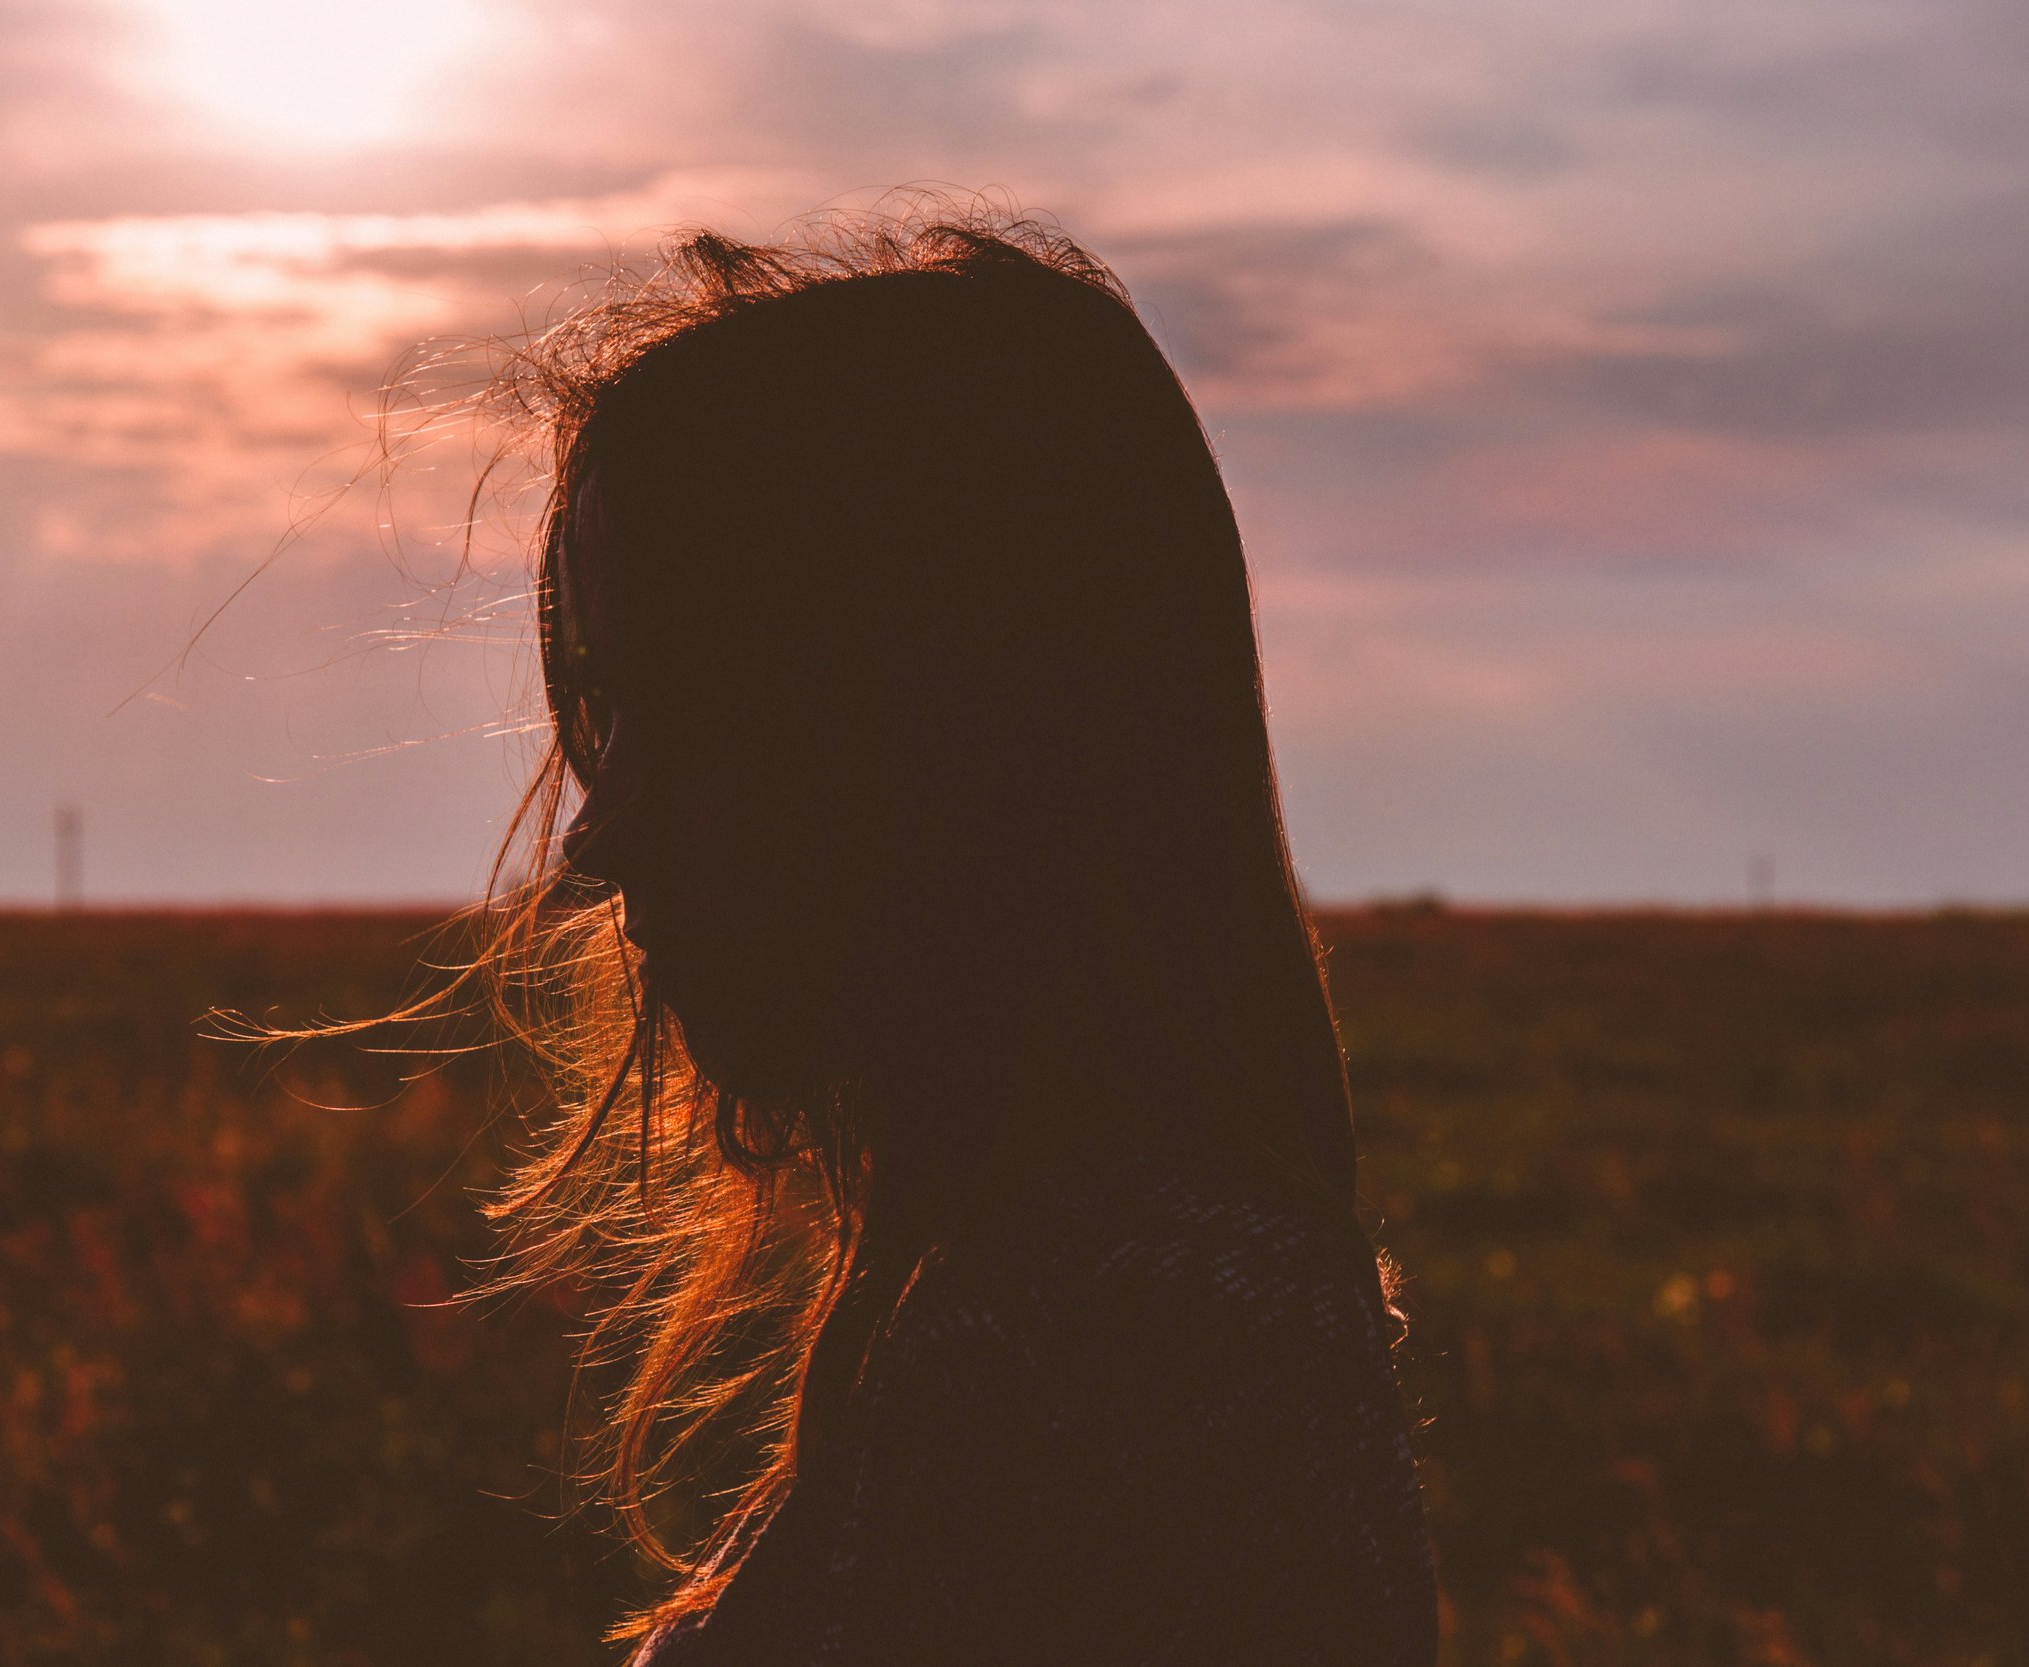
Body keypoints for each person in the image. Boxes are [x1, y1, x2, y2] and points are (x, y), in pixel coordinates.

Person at [465, 204, 1438, 1665]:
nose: (598, 838)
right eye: (608, 718)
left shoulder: (1129, 1350)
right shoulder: (1061, 1297)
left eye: (705, 710)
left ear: (958, 730)